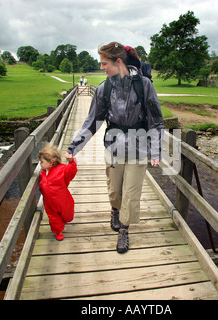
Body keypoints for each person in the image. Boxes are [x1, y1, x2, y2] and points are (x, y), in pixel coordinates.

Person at [65, 42, 164, 253]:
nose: (102, 68)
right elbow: (92, 121)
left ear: (118, 62)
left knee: (131, 191)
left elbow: (155, 120)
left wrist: (155, 150)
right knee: (114, 189)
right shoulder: (104, 88)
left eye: (104, 63)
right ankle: (114, 210)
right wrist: (73, 147)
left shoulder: (144, 85)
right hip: (114, 146)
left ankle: (124, 230)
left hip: (139, 148)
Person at [38, 144, 78, 241]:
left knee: (67, 215)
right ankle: (58, 231)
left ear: (51, 162)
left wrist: (71, 162)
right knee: (53, 217)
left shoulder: (62, 170)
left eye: (42, 162)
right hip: (49, 202)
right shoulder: (43, 173)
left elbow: (70, 172)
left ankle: (64, 219)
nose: (40, 164)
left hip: (62, 199)